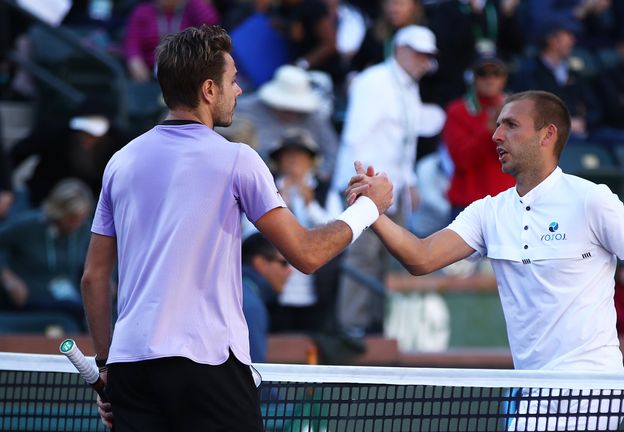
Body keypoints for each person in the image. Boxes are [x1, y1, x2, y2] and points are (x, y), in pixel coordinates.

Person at [346, 90, 624, 430]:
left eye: (510, 125)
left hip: (593, 388)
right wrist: (372, 212)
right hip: (532, 391)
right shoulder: (488, 213)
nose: (496, 135)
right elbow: (421, 258)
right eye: (497, 125)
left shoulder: (593, 200)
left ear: (547, 135)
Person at [80, 25, 392, 431]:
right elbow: (307, 254)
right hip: (207, 368)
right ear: (209, 90)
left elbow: (93, 278)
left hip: (132, 368)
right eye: (232, 81)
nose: (239, 91)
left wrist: (108, 368)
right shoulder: (237, 160)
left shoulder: (120, 162)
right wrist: (369, 208)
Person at [331, 25, 441, 337]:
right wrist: (363, 188)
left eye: (427, 55)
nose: (424, 60)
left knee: (390, 258)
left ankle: (381, 326)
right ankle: (351, 326)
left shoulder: (407, 85)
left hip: (390, 189)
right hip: (367, 186)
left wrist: (410, 181)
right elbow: (356, 137)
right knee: (363, 255)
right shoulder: (374, 81)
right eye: (419, 53)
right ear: (401, 50)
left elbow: (404, 141)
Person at [268, 128, 344, 333]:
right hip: (276, 289)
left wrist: (311, 206)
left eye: (300, 155)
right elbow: (249, 231)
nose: (294, 160)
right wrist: (278, 205)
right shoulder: (266, 188)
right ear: (279, 160)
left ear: (311, 160)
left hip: (317, 289)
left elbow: (340, 232)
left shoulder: (326, 191)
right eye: (288, 155)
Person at [0, 178, 93, 329]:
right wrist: (7, 277)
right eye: (71, 218)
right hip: (30, 298)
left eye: (80, 219)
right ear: (59, 211)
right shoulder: (27, 225)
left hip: (68, 299)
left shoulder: (84, 230)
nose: (76, 224)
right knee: (73, 318)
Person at [443, 54, 516, 219]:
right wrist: (490, 128)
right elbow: (462, 160)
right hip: (468, 205)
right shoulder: (457, 110)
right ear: (472, 78)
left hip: (506, 203)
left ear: (504, 78)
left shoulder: (516, 110)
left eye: (496, 73)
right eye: (483, 73)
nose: (490, 79)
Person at [235, 65, 339, 181]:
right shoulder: (244, 109)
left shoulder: (313, 118)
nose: (289, 111)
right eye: (285, 106)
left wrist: (318, 180)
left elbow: (331, 151)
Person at [122, 0, 220, 82]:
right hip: (150, 75)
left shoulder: (191, 9)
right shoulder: (143, 11)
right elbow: (132, 42)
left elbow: (210, 24)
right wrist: (135, 61)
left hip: (187, 74)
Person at [241, 232, 292, 363]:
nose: (290, 270)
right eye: (284, 263)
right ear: (260, 263)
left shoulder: (239, 294)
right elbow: (254, 374)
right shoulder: (250, 306)